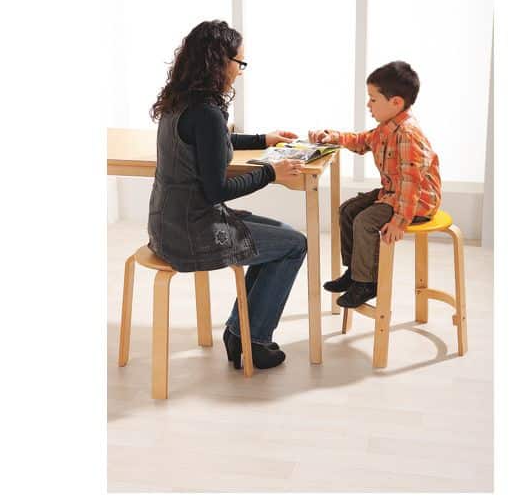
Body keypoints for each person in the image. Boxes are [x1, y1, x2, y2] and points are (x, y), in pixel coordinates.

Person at [148, 20, 307, 370]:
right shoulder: (206, 112)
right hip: (193, 232)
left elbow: (212, 142)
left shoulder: (179, 101)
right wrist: (271, 173)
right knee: (294, 244)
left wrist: (263, 140)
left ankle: (241, 334)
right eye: (239, 62)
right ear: (218, 61)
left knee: (282, 234)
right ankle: (253, 341)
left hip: (166, 226)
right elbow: (216, 191)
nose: (240, 71)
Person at [308, 61, 442, 309]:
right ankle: (355, 272)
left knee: (365, 221)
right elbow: (362, 141)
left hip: (416, 201)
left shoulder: (407, 134)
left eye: (373, 99)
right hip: (394, 192)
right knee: (348, 210)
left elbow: (411, 183)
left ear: (396, 102)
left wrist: (399, 221)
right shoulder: (386, 128)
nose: (368, 105)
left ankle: (367, 283)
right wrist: (333, 137)